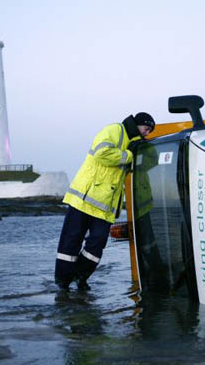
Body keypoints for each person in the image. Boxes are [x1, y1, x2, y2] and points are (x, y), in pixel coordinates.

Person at [54, 112, 156, 290]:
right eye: (147, 129)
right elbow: (102, 153)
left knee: (97, 245)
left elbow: (150, 162)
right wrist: (129, 155)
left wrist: (142, 150)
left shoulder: (135, 144)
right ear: (138, 125)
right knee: (70, 242)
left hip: (105, 207)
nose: (147, 134)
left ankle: (80, 276)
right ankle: (62, 283)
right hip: (84, 200)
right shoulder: (115, 130)